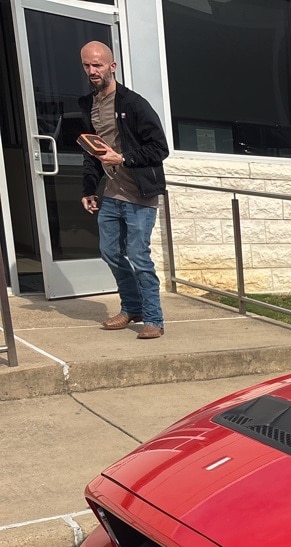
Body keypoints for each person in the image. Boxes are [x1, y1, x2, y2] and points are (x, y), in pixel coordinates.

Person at [78, 42, 169, 339]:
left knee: (138, 255)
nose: (92, 71)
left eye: (98, 65)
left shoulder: (133, 103)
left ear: (112, 66)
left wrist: (124, 158)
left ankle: (153, 319)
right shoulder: (88, 105)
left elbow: (159, 148)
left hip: (140, 194)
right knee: (109, 252)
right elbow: (91, 151)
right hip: (110, 194)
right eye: (87, 66)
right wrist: (89, 188)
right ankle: (132, 307)